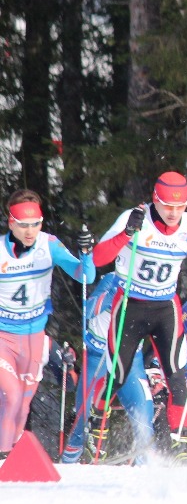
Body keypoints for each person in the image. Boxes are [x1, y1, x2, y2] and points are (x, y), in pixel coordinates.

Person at [88, 172, 187, 459]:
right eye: (167, 206)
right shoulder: (133, 217)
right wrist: (126, 234)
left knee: (177, 377)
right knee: (120, 375)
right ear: (154, 200)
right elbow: (98, 259)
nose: (174, 213)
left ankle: (181, 447)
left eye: (180, 206)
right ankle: (97, 416)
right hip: (130, 305)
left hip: (165, 307)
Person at [0, 190, 94, 459]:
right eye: (23, 225)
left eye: (36, 224)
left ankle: (11, 457)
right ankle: (4, 457)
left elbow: (85, 275)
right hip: (3, 338)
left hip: (33, 339)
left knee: (23, 405)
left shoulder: (49, 245)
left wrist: (86, 253)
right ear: (11, 223)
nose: (30, 231)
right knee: (12, 395)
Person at [62, 274, 156, 464]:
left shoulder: (154, 283)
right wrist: (115, 296)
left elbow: (162, 327)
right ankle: (68, 466)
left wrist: (157, 368)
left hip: (131, 362)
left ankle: (146, 471)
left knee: (144, 418)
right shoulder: (112, 279)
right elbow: (88, 310)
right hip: (99, 358)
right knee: (83, 420)